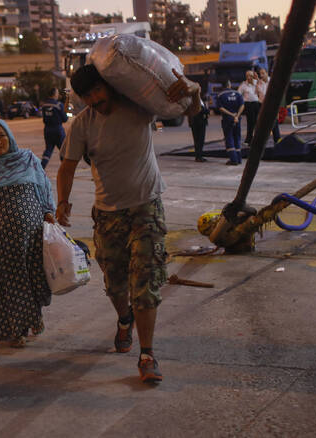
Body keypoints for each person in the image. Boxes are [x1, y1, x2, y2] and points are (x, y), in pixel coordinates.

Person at [56, 64, 202, 384]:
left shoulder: (140, 106)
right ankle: (125, 319)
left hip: (146, 206)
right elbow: (66, 167)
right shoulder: (82, 125)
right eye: (87, 95)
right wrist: (63, 201)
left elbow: (191, 111)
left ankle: (147, 354)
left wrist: (194, 91)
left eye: (97, 90)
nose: (94, 98)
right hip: (108, 213)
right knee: (115, 284)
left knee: (146, 281)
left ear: (107, 85)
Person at [0, 119, 55, 348]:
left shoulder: (28, 160)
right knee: (12, 280)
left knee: (34, 277)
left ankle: (34, 319)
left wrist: (49, 211)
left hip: (34, 232)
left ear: (9, 136)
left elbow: (44, 185)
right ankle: (16, 329)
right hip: (2, 236)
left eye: (1, 135)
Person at [217, 81, 245, 165]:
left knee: (229, 137)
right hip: (237, 119)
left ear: (222, 86)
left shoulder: (220, 95)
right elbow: (242, 105)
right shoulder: (237, 94)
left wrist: (231, 115)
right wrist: (237, 116)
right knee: (237, 137)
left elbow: (221, 108)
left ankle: (233, 159)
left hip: (227, 120)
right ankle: (239, 158)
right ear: (229, 85)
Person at [40, 88, 69, 168]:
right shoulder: (58, 105)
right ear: (54, 94)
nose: (58, 95)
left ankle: (42, 167)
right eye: (57, 93)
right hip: (58, 130)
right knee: (63, 150)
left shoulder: (44, 105)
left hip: (47, 130)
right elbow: (65, 119)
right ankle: (65, 168)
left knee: (48, 149)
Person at [256, 68, 281, 144]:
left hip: (272, 104)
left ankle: (277, 141)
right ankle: (261, 143)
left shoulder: (272, 82)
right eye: (260, 74)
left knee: (274, 124)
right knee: (262, 125)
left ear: (267, 73)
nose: (262, 75)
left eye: (263, 73)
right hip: (262, 105)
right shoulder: (258, 83)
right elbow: (257, 94)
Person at [237, 70, 260, 145]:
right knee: (251, 122)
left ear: (253, 75)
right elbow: (238, 94)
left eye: (250, 75)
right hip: (248, 104)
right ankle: (248, 140)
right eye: (247, 75)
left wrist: (257, 80)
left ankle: (258, 139)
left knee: (258, 122)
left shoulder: (257, 82)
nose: (248, 77)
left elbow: (262, 90)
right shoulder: (243, 84)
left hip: (257, 104)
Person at [188, 86, 208, 162]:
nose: (200, 90)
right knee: (199, 140)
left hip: (200, 122)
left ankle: (199, 155)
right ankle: (199, 156)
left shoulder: (200, 99)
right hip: (198, 122)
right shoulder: (193, 100)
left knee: (199, 140)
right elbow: (199, 111)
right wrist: (207, 111)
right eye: (198, 89)